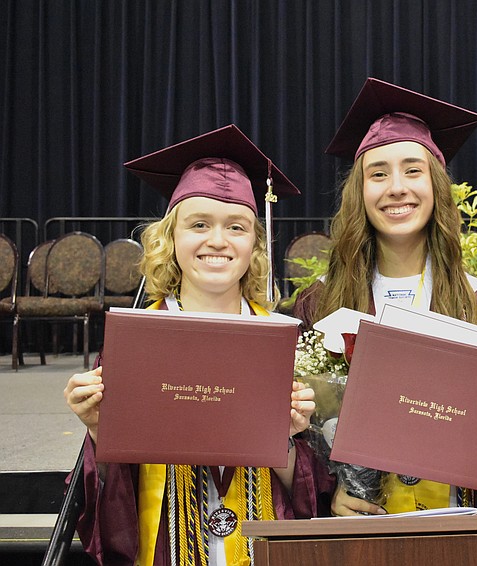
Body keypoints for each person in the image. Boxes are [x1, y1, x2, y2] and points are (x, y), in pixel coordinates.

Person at [64, 125, 336, 566]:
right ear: (170, 239)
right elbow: (111, 507)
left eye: (236, 227)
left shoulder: (286, 342)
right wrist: (99, 430)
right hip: (166, 547)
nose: (217, 240)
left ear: (255, 245)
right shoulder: (136, 340)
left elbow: (308, 499)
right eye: (198, 224)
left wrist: (285, 437)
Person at [294, 77, 477, 515]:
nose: (396, 187)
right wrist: (333, 490)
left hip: (459, 525)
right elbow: (298, 430)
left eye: (413, 170)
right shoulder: (319, 305)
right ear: (359, 192)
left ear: (436, 185)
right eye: (378, 174)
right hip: (356, 529)